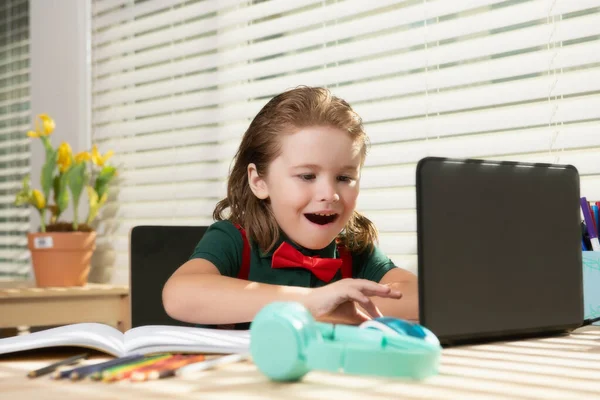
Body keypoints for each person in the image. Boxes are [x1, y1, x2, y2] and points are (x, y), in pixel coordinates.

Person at [162, 86, 418, 327]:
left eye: (344, 178)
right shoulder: (233, 240)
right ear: (259, 181)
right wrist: (311, 303)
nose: (329, 194)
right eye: (307, 176)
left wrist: (342, 308)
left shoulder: (352, 249)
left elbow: (416, 295)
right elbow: (179, 294)